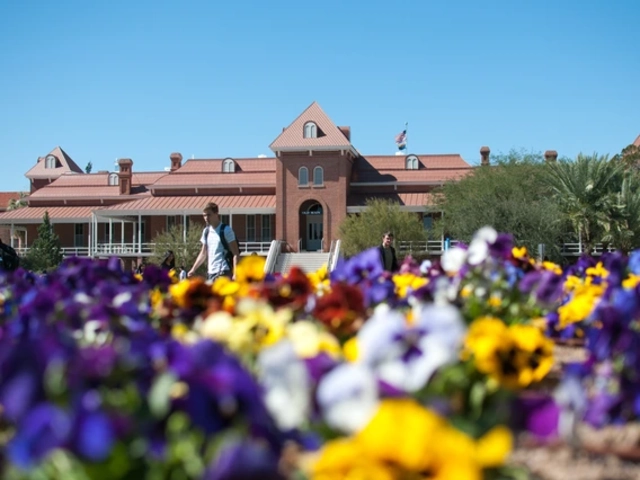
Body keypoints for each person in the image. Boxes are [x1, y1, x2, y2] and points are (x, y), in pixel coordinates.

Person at [188, 202, 240, 281]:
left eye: (209, 215)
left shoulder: (226, 230)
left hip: (223, 271)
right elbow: (203, 253)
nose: (206, 218)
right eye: (204, 215)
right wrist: (193, 269)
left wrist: (236, 274)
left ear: (216, 214)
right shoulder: (206, 231)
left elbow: (236, 254)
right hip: (211, 272)